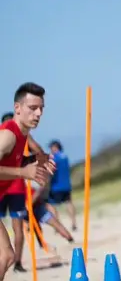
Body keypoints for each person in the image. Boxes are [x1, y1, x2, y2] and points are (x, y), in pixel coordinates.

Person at [0, 83, 55, 279]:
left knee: (7, 257)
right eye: (33, 108)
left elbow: (13, 159)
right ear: (17, 108)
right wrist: (23, 172)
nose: (38, 113)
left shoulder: (22, 134)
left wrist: (36, 159)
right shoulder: (8, 135)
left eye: (41, 108)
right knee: (6, 256)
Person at [45, 140, 76, 232]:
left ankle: (58, 226)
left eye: (51, 148)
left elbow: (50, 170)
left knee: (50, 204)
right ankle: (74, 223)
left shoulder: (54, 158)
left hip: (56, 186)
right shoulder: (65, 156)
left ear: (55, 147)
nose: (50, 150)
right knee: (68, 202)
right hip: (67, 185)